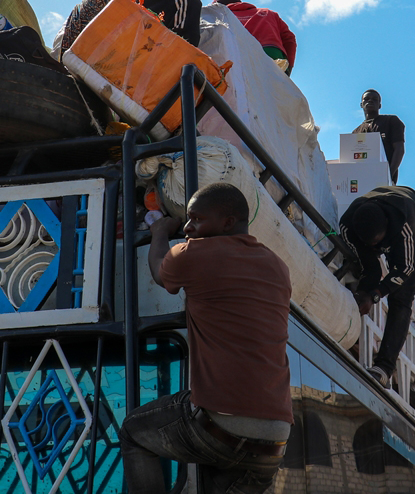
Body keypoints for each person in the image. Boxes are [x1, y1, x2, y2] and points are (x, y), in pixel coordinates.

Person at [121, 182, 292, 493]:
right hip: (275, 437)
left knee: (134, 432)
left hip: (222, 423)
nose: (187, 227)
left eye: (196, 219)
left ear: (227, 222)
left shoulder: (195, 254)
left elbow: (160, 271)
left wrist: (160, 231)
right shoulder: (277, 266)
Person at [339, 186, 415, 389]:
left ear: (386, 227)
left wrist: (375, 295)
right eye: (372, 245)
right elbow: (370, 265)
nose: (378, 248)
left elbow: (405, 269)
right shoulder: (348, 226)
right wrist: (365, 291)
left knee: (401, 296)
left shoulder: (403, 224)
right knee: (368, 270)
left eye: (379, 243)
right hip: (381, 214)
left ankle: (384, 368)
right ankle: (351, 328)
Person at [211, 0, 297, 75]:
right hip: (272, 53)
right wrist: (287, 69)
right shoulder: (267, 12)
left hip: (239, 54)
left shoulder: (220, 15)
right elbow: (290, 39)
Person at [353, 89, 405, 183]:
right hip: (361, 182)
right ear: (361, 104)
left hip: (385, 182)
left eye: (374, 99)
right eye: (366, 99)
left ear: (379, 105)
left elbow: (399, 149)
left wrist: (388, 175)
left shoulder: (391, 121)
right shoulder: (355, 133)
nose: (370, 101)